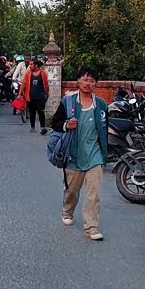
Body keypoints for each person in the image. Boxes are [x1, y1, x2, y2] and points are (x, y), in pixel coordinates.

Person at [49, 66, 110, 241]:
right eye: (85, 79)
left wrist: (105, 152)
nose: (88, 83)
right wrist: (66, 125)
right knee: (72, 190)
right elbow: (55, 122)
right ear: (78, 81)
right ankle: (67, 211)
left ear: (96, 84)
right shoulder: (67, 102)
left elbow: (105, 130)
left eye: (92, 80)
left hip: (94, 154)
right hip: (73, 154)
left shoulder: (101, 105)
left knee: (94, 192)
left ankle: (92, 227)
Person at [17, 56, 49, 133]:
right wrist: (20, 94)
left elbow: (46, 85)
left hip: (41, 97)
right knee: (32, 112)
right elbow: (23, 84)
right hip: (30, 97)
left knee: (41, 112)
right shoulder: (28, 74)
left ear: (36, 65)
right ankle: (32, 127)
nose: (30, 66)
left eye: (31, 64)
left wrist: (47, 94)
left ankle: (42, 127)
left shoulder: (43, 74)